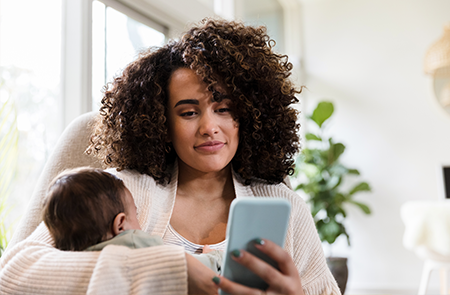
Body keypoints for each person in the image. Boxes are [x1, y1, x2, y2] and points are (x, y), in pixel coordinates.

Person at [0, 18, 340, 294]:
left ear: (248, 115)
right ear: (162, 122)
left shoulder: (286, 208)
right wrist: (172, 270)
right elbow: (12, 276)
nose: (209, 127)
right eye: (189, 113)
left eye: (223, 108)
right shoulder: (121, 193)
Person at [42, 167, 222, 273]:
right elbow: (183, 266)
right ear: (120, 224)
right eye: (135, 214)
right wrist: (213, 257)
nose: (139, 222)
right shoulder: (134, 243)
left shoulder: (72, 258)